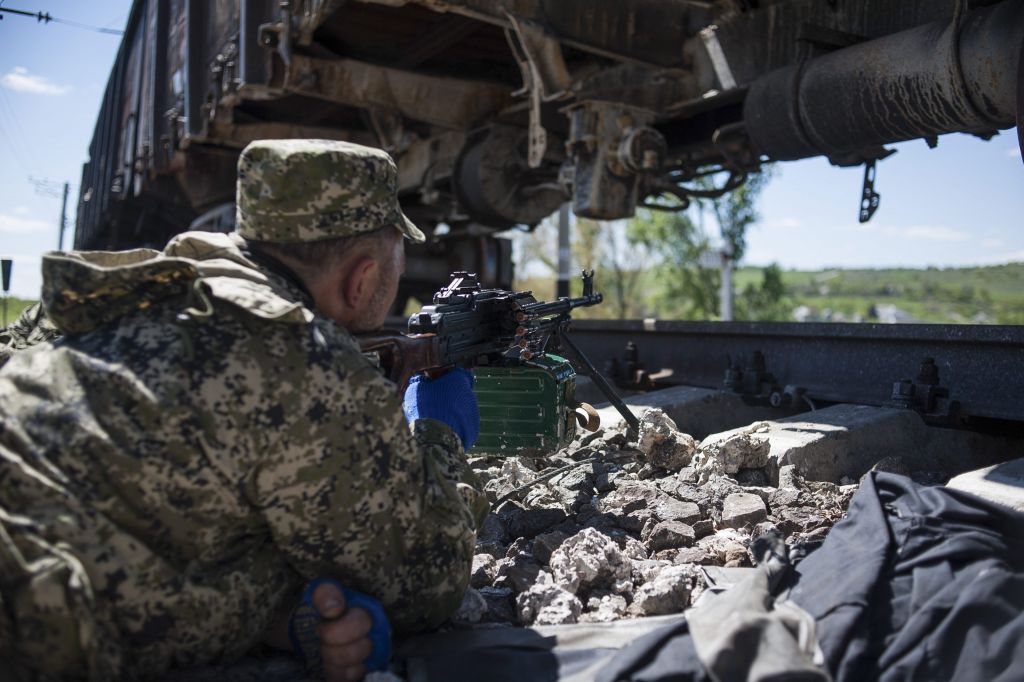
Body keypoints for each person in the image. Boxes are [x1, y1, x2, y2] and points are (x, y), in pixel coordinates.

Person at [0, 139, 488, 681]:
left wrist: (271, 611)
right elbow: (427, 580)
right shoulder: (303, 361)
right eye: (397, 269)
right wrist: (439, 435)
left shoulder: (131, 291)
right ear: (362, 279)